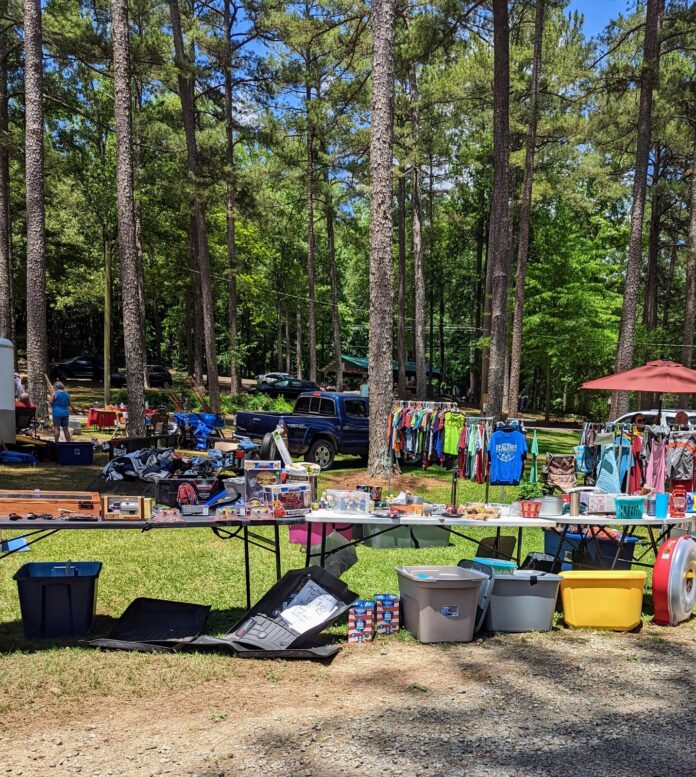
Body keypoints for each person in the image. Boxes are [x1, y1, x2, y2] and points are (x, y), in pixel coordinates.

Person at [45, 375, 71, 442]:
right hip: (65, 413)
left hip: (57, 413)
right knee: (66, 429)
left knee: (57, 428)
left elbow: (50, 402)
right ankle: (68, 442)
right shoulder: (67, 394)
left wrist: (49, 401)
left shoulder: (55, 393)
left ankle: (56, 442)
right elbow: (69, 404)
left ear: (56, 387)